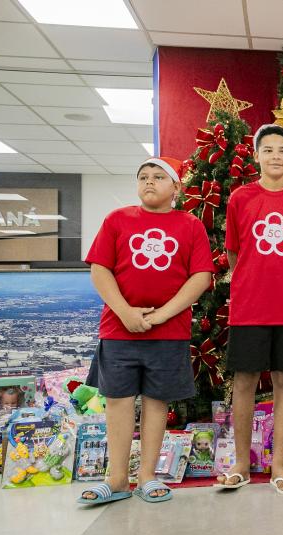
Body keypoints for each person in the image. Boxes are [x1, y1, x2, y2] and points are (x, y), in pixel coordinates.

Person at [80, 156, 214, 504]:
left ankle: (148, 476)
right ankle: (117, 479)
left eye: (158, 176)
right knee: (118, 401)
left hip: (168, 333)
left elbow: (200, 277)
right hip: (118, 330)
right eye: (143, 176)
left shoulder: (190, 225)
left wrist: (159, 316)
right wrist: (125, 312)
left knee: (157, 402)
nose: (149, 181)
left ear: (176, 187)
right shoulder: (117, 219)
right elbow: (100, 269)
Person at [215, 124, 283, 495]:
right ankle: (241, 464)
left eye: (282, 150)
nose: (276, 156)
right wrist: (252, 280)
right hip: (250, 307)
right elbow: (234, 253)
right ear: (256, 155)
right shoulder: (240, 199)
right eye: (268, 149)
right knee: (244, 381)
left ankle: (278, 466)